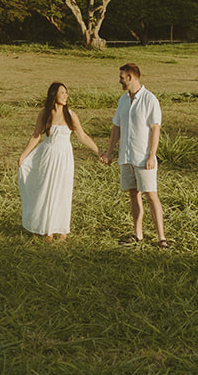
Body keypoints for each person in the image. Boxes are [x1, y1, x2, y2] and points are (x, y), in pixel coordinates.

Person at [17, 81, 102, 240]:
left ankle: (61, 229)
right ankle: (45, 228)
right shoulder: (45, 113)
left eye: (66, 93)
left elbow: (82, 136)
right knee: (46, 189)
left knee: (63, 190)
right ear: (53, 94)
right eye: (62, 93)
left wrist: (99, 152)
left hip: (64, 157)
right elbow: (36, 136)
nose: (66, 96)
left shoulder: (71, 114)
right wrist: (23, 155)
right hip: (48, 155)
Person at [104, 62, 168, 248]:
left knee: (151, 194)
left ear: (131, 77)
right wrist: (110, 152)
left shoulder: (150, 99)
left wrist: (151, 155)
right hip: (127, 155)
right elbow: (117, 127)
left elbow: (155, 128)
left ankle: (161, 237)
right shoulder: (123, 100)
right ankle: (137, 233)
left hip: (143, 156)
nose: (120, 81)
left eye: (122, 77)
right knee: (133, 194)